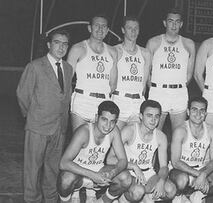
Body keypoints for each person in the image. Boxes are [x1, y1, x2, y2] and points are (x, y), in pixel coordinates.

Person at [16, 29, 73, 203]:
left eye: (65, 44)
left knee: (52, 170)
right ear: (49, 45)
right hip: (37, 127)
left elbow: (65, 96)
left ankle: (50, 199)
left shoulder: (69, 68)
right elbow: (22, 95)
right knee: (33, 170)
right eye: (57, 42)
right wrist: (33, 116)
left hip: (59, 128)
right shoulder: (34, 66)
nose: (61, 47)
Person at [57, 101, 131, 203]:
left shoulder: (114, 131)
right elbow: (63, 163)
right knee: (66, 180)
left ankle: (102, 201)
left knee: (126, 178)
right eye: (104, 119)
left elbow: (123, 160)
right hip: (78, 174)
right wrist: (92, 175)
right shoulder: (84, 132)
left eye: (112, 121)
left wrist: (113, 172)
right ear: (97, 117)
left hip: (98, 171)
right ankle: (65, 201)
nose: (108, 125)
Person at [107, 100, 176, 202]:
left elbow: (164, 167)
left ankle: (146, 196)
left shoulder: (161, 136)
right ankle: (123, 198)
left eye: (157, 116)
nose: (153, 120)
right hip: (129, 172)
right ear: (141, 116)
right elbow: (110, 159)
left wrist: (161, 181)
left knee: (171, 190)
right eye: (149, 115)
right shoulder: (129, 131)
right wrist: (134, 166)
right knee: (138, 191)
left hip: (148, 173)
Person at [146, 8, 195, 132]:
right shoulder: (153, 42)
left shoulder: (188, 43)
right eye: (170, 21)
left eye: (177, 21)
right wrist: (154, 88)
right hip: (158, 92)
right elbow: (146, 71)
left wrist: (179, 87)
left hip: (179, 93)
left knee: (179, 135)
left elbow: (189, 74)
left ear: (181, 24)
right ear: (164, 23)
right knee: (154, 134)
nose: (174, 25)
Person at [67, 13, 118, 131]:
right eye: (97, 25)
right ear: (90, 28)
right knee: (79, 142)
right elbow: (67, 79)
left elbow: (113, 84)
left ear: (107, 30)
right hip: (82, 101)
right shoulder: (78, 48)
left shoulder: (112, 51)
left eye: (104, 26)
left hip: (103, 102)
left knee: (98, 144)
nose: (100, 29)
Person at [170, 97, 213, 203]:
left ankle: (198, 195)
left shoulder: (212, 131)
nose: (198, 113)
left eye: (202, 110)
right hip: (181, 170)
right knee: (182, 180)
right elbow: (175, 162)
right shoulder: (180, 130)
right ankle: (179, 195)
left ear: (206, 113)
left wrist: (203, 174)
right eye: (194, 109)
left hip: (201, 169)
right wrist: (199, 175)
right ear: (188, 111)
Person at [112, 16, 151, 130]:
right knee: (114, 139)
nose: (133, 31)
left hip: (137, 103)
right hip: (119, 100)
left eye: (136, 28)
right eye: (129, 28)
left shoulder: (145, 53)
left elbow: (144, 84)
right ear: (123, 30)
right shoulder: (115, 50)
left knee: (134, 140)